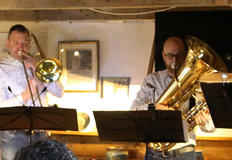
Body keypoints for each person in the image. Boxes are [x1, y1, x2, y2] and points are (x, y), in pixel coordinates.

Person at [131, 37, 215, 160]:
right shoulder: (152, 80)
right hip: (154, 153)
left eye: (179, 55)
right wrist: (153, 107)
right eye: (170, 56)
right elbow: (133, 110)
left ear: (186, 55)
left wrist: (205, 122)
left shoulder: (197, 81)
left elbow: (211, 126)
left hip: (184, 153)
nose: (174, 60)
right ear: (163, 56)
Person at [0, 24, 64, 160]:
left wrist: (37, 68)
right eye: (16, 43)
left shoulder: (37, 65)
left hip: (41, 133)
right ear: (8, 43)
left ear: (29, 45)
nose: (21, 47)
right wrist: (25, 96)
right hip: (13, 136)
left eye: (24, 43)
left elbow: (59, 92)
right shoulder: (2, 70)